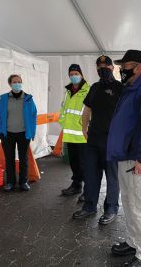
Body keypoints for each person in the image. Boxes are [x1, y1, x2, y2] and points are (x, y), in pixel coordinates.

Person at [107, 50, 141, 267]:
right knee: (130, 201)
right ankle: (133, 242)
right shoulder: (132, 86)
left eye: (126, 65)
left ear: (140, 66)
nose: (122, 69)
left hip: (137, 157)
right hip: (125, 154)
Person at [72, 55, 123, 225]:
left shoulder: (121, 88)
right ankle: (89, 206)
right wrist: (84, 128)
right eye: (99, 66)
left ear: (112, 67)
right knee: (91, 175)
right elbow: (87, 110)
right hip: (93, 140)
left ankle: (111, 209)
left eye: (106, 66)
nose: (103, 69)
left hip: (112, 141)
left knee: (112, 177)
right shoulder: (94, 87)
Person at [0, 74, 37, 192]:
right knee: (9, 158)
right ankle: (10, 182)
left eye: (19, 81)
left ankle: (23, 182)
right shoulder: (3, 99)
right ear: (10, 84)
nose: (17, 84)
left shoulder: (28, 99)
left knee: (24, 158)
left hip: (24, 133)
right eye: (15, 82)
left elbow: (33, 116)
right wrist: (0, 131)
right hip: (8, 134)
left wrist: (32, 132)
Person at [59, 64, 90, 199]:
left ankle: (88, 190)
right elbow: (63, 109)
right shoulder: (68, 91)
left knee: (86, 164)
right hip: (70, 134)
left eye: (76, 73)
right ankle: (76, 185)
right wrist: (62, 122)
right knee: (74, 162)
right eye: (71, 74)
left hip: (83, 135)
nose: (73, 76)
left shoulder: (88, 90)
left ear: (81, 74)